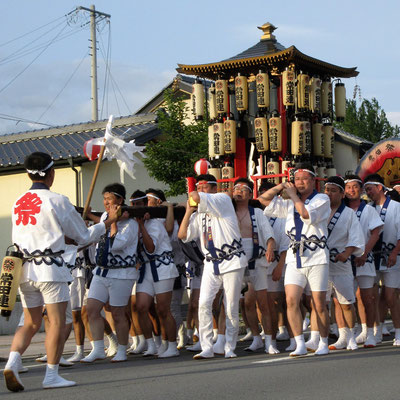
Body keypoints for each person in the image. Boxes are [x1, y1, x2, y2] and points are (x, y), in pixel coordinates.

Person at [3, 152, 119, 392]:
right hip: (51, 270)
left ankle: (13, 363)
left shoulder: (18, 202)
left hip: (25, 270)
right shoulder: (57, 200)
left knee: (30, 323)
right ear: (51, 173)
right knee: (56, 322)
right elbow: (83, 236)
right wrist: (106, 222)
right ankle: (51, 374)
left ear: (27, 173)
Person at [259, 164, 331, 356]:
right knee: (291, 300)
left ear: (313, 180)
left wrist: (292, 195)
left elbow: (305, 214)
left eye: (304, 179)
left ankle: (323, 342)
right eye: (296, 179)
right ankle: (299, 342)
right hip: (294, 256)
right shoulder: (289, 201)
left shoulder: (322, 199)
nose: (299, 183)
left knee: (318, 302)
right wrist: (280, 187)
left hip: (316, 256)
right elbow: (262, 199)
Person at [178, 174, 248, 359]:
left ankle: (229, 347)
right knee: (203, 303)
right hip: (210, 262)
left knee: (230, 305)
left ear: (213, 188)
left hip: (231, 260)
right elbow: (182, 234)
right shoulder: (199, 213)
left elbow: (195, 196)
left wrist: (193, 192)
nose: (201, 191)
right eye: (199, 187)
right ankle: (207, 346)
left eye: (204, 187)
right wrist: (188, 212)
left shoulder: (222, 199)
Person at [81, 183, 138, 363]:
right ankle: (98, 348)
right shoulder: (106, 215)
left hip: (122, 273)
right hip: (101, 271)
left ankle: (122, 348)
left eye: (110, 199)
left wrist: (112, 222)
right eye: (104, 199)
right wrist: (100, 218)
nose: (106, 202)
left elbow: (117, 245)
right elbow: (99, 229)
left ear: (120, 200)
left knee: (117, 312)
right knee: (91, 309)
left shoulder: (131, 223)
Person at [232, 178, 277, 354]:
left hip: (257, 260)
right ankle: (256, 337)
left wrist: (270, 248)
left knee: (263, 303)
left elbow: (269, 236)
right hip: (236, 260)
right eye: (236, 188)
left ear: (250, 194)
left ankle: (270, 340)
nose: (239, 192)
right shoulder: (228, 212)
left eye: (243, 189)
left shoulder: (257, 213)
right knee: (247, 303)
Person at [320, 176, 365, 351]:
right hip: (321, 264)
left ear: (341, 193)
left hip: (341, 262)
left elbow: (356, 237)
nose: (329, 194)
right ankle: (341, 336)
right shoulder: (318, 210)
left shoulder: (348, 214)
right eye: (326, 190)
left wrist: (346, 253)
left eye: (333, 190)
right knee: (326, 302)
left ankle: (351, 337)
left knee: (345, 302)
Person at [135, 191, 179, 358]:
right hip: (146, 268)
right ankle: (153, 344)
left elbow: (151, 247)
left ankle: (172, 346)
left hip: (162, 267)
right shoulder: (140, 222)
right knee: (141, 306)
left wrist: (140, 226)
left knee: (163, 309)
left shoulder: (155, 222)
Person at [344, 175, 383, 347]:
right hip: (344, 260)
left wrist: (364, 253)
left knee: (368, 298)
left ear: (360, 190)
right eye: (348, 187)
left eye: (355, 187)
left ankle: (371, 334)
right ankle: (350, 333)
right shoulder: (340, 210)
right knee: (345, 299)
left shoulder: (368, 210)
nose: (351, 190)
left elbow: (376, 233)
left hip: (364, 259)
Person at [364, 174, 400, 346]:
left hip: (391, 256)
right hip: (373, 257)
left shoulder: (396, 206)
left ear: (379, 187)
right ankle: (377, 330)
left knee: (391, 296)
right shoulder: (368, 208)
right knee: (373, 296)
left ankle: (398, 332)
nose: (367, 193)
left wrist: (395, 253)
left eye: (369, 189)